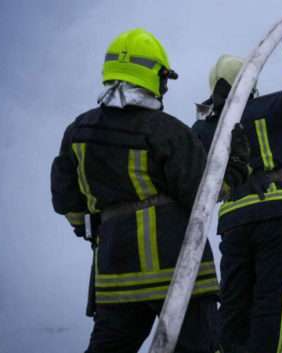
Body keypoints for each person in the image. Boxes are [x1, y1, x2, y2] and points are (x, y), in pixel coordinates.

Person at [50, 28, 249, 353]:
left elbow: (66, 200)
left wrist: (94, 228)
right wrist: (237, 166)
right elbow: (202, 194)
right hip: (178, 272)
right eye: (164, 80)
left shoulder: (78, 132)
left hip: (115, 274)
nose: (166, 88)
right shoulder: (167, 131)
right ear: (153, 77)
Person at [192, 12, 282, 353]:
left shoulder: (204, 130)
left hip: (235, 220)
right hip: (280, 215)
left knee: (234, 302)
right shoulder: (276, 106)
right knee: (274, 302)